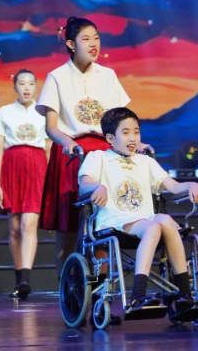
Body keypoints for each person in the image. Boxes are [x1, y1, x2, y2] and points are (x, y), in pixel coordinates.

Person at [36, 16, 138, 276]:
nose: (93, 44)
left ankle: (101, 286)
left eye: (96, 38)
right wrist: (67, 141)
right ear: (71, 44)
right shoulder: (57, 77)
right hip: (72, 154)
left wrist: (132, 141)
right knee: (68, 226)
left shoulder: (108, 75)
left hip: (105, 153)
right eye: (86, 39)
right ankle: (69, 286)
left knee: (102, 220)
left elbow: (121, 120)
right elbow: (51, 127)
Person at [79, 107, 198, 313]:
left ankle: (185, 294)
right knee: (153, 226)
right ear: (110, 138)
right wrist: (96, 187)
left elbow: (173, 186)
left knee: (165, 220)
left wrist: (192, 184)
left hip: (145, 220)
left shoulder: (146, 162)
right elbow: (84, 185)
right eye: (126, 132)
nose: (133, 138)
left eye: (136, 132)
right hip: (114, 222)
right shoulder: (98, 157)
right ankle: (138, 296)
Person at [0, 69, 51, 300]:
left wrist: (49, 181)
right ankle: (18, 280)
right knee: (15, 229)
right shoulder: (5, 112)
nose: (26, 88)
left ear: (36, 87)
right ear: (15, 86)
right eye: (22, 83)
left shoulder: (43, 114)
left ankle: (26, 279)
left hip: (37, 170)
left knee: (28, 225)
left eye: (31, 83)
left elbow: (48, 149)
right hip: (11, 170)